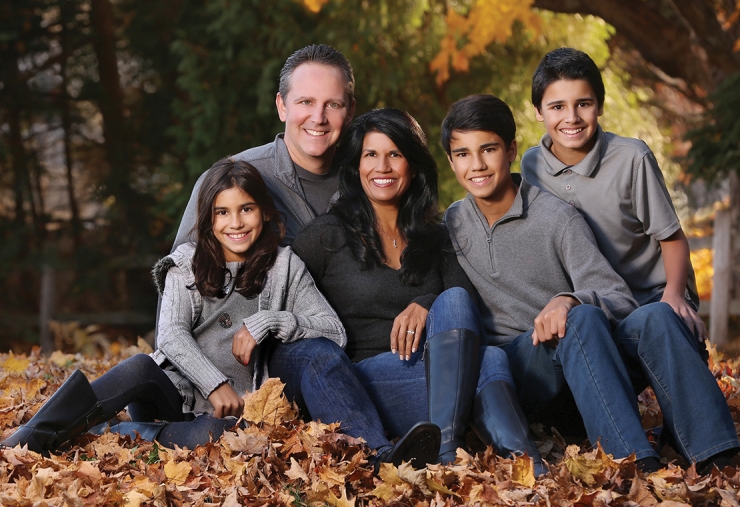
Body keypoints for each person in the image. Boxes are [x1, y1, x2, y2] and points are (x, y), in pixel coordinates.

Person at [1, 159, 437, 468]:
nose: (236, 222)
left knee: (224, 437)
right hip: (173, 395)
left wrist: (269, 322)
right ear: (209, 220)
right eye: (222, 212)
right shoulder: (185, 265)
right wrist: (214, 383)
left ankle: (113, 435)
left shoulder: (285, 265)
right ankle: (31, 437)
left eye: (246, 209)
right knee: (137, 366)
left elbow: (333, 333)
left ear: (264, 213)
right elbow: (170, 336)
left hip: (229, 416)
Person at [520, 47, 740, 472]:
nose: (572, 117)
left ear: (599, 105)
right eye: (557, 106)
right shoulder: (532, 166)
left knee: (657, 319)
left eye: (583, 103)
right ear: (537, 112)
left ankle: (720, 457)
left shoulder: (631, 158)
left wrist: (674, 296)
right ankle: (637, 456)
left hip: (650, 297)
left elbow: (672, 238)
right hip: (595, 310)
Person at [290, 108, 544, 473]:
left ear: (413, 164)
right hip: (364, 381)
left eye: (395, 154)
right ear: (356, 166)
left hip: (438, 371)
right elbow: (283, 305)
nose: (383, 167)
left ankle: (508, 466)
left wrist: (425, 302)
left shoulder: (435, 236)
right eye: (371, 155)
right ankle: (524, 466)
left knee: (462, 314)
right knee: (490, 360)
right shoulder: (326, 236)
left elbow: (464, 301)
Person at [440, 94, 674, 471]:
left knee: (583, 317)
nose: (477, 165)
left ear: (512, 149)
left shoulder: (557, 218)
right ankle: (636, 461)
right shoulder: (451, 226)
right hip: (505, 376)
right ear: (451, 162)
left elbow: (619, 298)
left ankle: (634, 462)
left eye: (488, 149)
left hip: (570, 366)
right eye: (463, 154)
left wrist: (569, 299)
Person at [173, 44, 356, 248]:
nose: (318, 118)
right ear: (282, 106)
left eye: (333, 105)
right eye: (306, 102)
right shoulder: (225, 181)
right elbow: (182, 274)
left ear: (350, 112)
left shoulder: (366, 184)